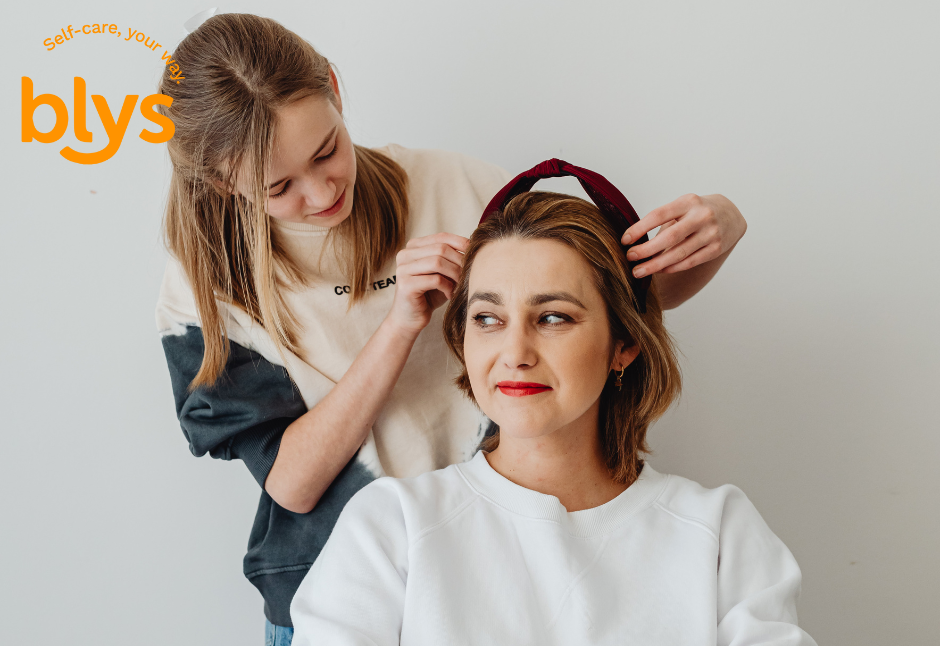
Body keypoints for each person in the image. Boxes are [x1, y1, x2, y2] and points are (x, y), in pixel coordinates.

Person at [153, 13, 748, 642]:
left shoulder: (456, 188)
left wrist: (722, 230)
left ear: (333, 86)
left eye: (328, 149)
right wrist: (401, 324)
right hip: (332, 592)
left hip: (503, 572)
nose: (323, 189)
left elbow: (624, 308)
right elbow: (292, 485)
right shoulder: (203, 287)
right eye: (279, 187)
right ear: (222, 180)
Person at [289, 176, 815, 646]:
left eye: (554, 317)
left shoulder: (719, 533)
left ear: (624, 343)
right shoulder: (392, 526)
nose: (515, 352)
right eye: (488, 318)